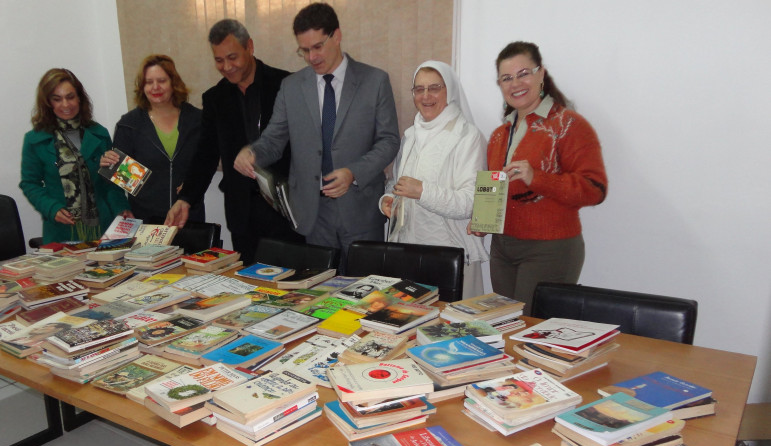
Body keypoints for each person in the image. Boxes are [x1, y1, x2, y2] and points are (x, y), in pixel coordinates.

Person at [233, 3, 399, 271]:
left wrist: (353, 173)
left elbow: (389, 141)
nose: (311, 57)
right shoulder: (291, 87)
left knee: (364, 294)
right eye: (304, 50)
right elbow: (274, 139)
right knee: (321, 294)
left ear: (337, 36)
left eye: (318, 46)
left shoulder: (375, 81)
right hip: (313, 212)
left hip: (360, 210)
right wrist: (252, 152)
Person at [477, 41, 607, 313]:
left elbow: (594, 189)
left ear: (541, 74)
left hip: (549, 249)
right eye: (506, 78)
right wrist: (483, 220)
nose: (515, 84)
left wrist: (537, 177)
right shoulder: (500, 134)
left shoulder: (569, 124)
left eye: (523, 73)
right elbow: (499, 191)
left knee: (532, 332)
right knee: (504, 327)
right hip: (502, 249)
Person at [164, 19, 302, 263]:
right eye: (219, 60)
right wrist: (186, 199)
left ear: (249, 47)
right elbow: (205, 155)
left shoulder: (286, 85)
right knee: (250, 286)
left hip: (286, 210)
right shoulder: (215, 98)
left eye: (232, 57)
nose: (227, 67)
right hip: (242, 214)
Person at [380, 61, 487, 299]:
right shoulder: (410, 135)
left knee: (448, 330)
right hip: (408, 253)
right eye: (419, 89)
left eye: (434, 88)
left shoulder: (467, 136)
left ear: (449, 90)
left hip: (450, 257)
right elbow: (396, 184)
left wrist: (422, 191)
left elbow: (471, 203)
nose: (426, 96)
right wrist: (389, 199)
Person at [20, 68, 132, 243]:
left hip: (103, 226)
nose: (66, 105)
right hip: (62, 230)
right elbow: (29, 184)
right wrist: (51, 209)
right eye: (57, 99)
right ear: (48, 102)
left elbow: (112, 183)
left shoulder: (99, 133)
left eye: (70, 97)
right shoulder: (35, 140)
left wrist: (122, 208)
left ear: (80, 97)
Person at [102, 55, 204, 224]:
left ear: (173, 83)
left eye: (162, 80)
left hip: (188, 218)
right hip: (146, 221)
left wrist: (193, 184)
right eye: (149, 82)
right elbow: (115, 181)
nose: (155, 87)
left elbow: (205, 164)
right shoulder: (129, 125)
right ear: (142, 87)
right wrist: (122, 208)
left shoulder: (197, 120)